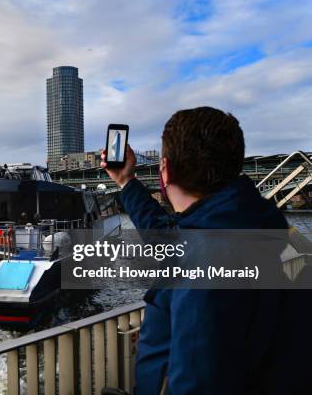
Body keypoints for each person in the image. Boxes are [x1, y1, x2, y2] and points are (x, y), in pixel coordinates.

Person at [101, 106, 310, 394]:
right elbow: (168, 237)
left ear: (166, 170)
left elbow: (198, 381)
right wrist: (126, 182)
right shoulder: (266, 228)